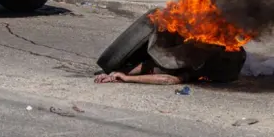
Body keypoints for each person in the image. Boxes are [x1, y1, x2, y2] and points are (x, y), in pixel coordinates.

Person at [94, 31, 247, 85]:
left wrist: (126, 78)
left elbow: (169, 79)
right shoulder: (197, 46)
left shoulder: (192, 69)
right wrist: (117, 73)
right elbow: (150, 65)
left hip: (227, 68)